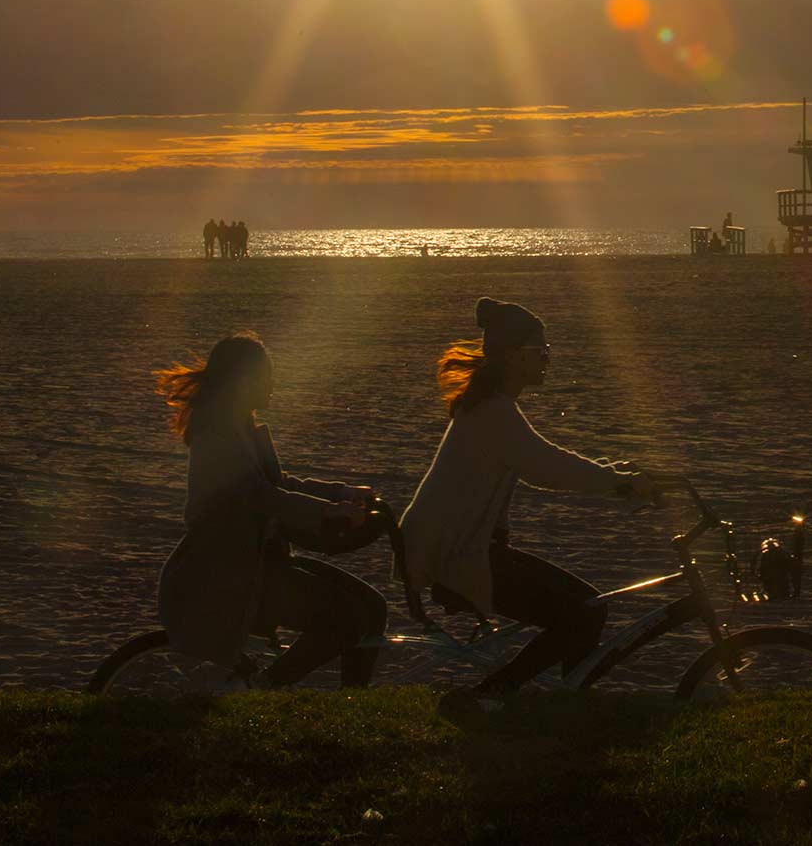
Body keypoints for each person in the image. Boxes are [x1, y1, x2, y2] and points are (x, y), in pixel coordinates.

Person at [400, 298, 658, 720]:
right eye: (542, 353)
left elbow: (539, 465)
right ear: (515, 356)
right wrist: (620, 483)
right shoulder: (494, 412)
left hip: (465, 546)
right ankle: (496, 695)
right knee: (584, 612)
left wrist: (613, 476)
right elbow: (547, 465)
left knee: (583, 608)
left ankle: (567, 704)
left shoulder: (490, 406)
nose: (547, 361)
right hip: (461, 554)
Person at [154, 331, 387, 688]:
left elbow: (280, 484)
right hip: (228, 572)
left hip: (256, 559)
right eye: (266, 374)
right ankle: (267, 689)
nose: (273, 383)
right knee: (346, 617)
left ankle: (353, 701)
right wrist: (327, 513)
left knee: (371, 606)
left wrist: (342, 493)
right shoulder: (217, 435)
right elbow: (260, 496)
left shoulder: (240, 426)